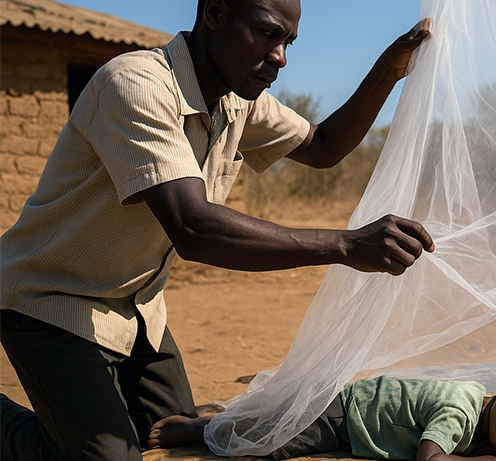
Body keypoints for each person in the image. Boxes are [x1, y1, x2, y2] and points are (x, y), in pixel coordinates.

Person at [0, 0, 434, 459]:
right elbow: (193, 226)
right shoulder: (135, 85)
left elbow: (324, 146)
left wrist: (388, 69)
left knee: (187, 439)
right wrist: (346, 244)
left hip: (137, 309)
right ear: (215, 12)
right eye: (267, 34)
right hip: (52, 300)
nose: (280, 57)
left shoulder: (236, 102)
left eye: (288, 42)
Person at [147, 365, 496, 460]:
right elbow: (431, 460)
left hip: (358, 423)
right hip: (345, 414)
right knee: (267, 440)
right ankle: (199, 429)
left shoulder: (490, 431)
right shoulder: (462, 409)